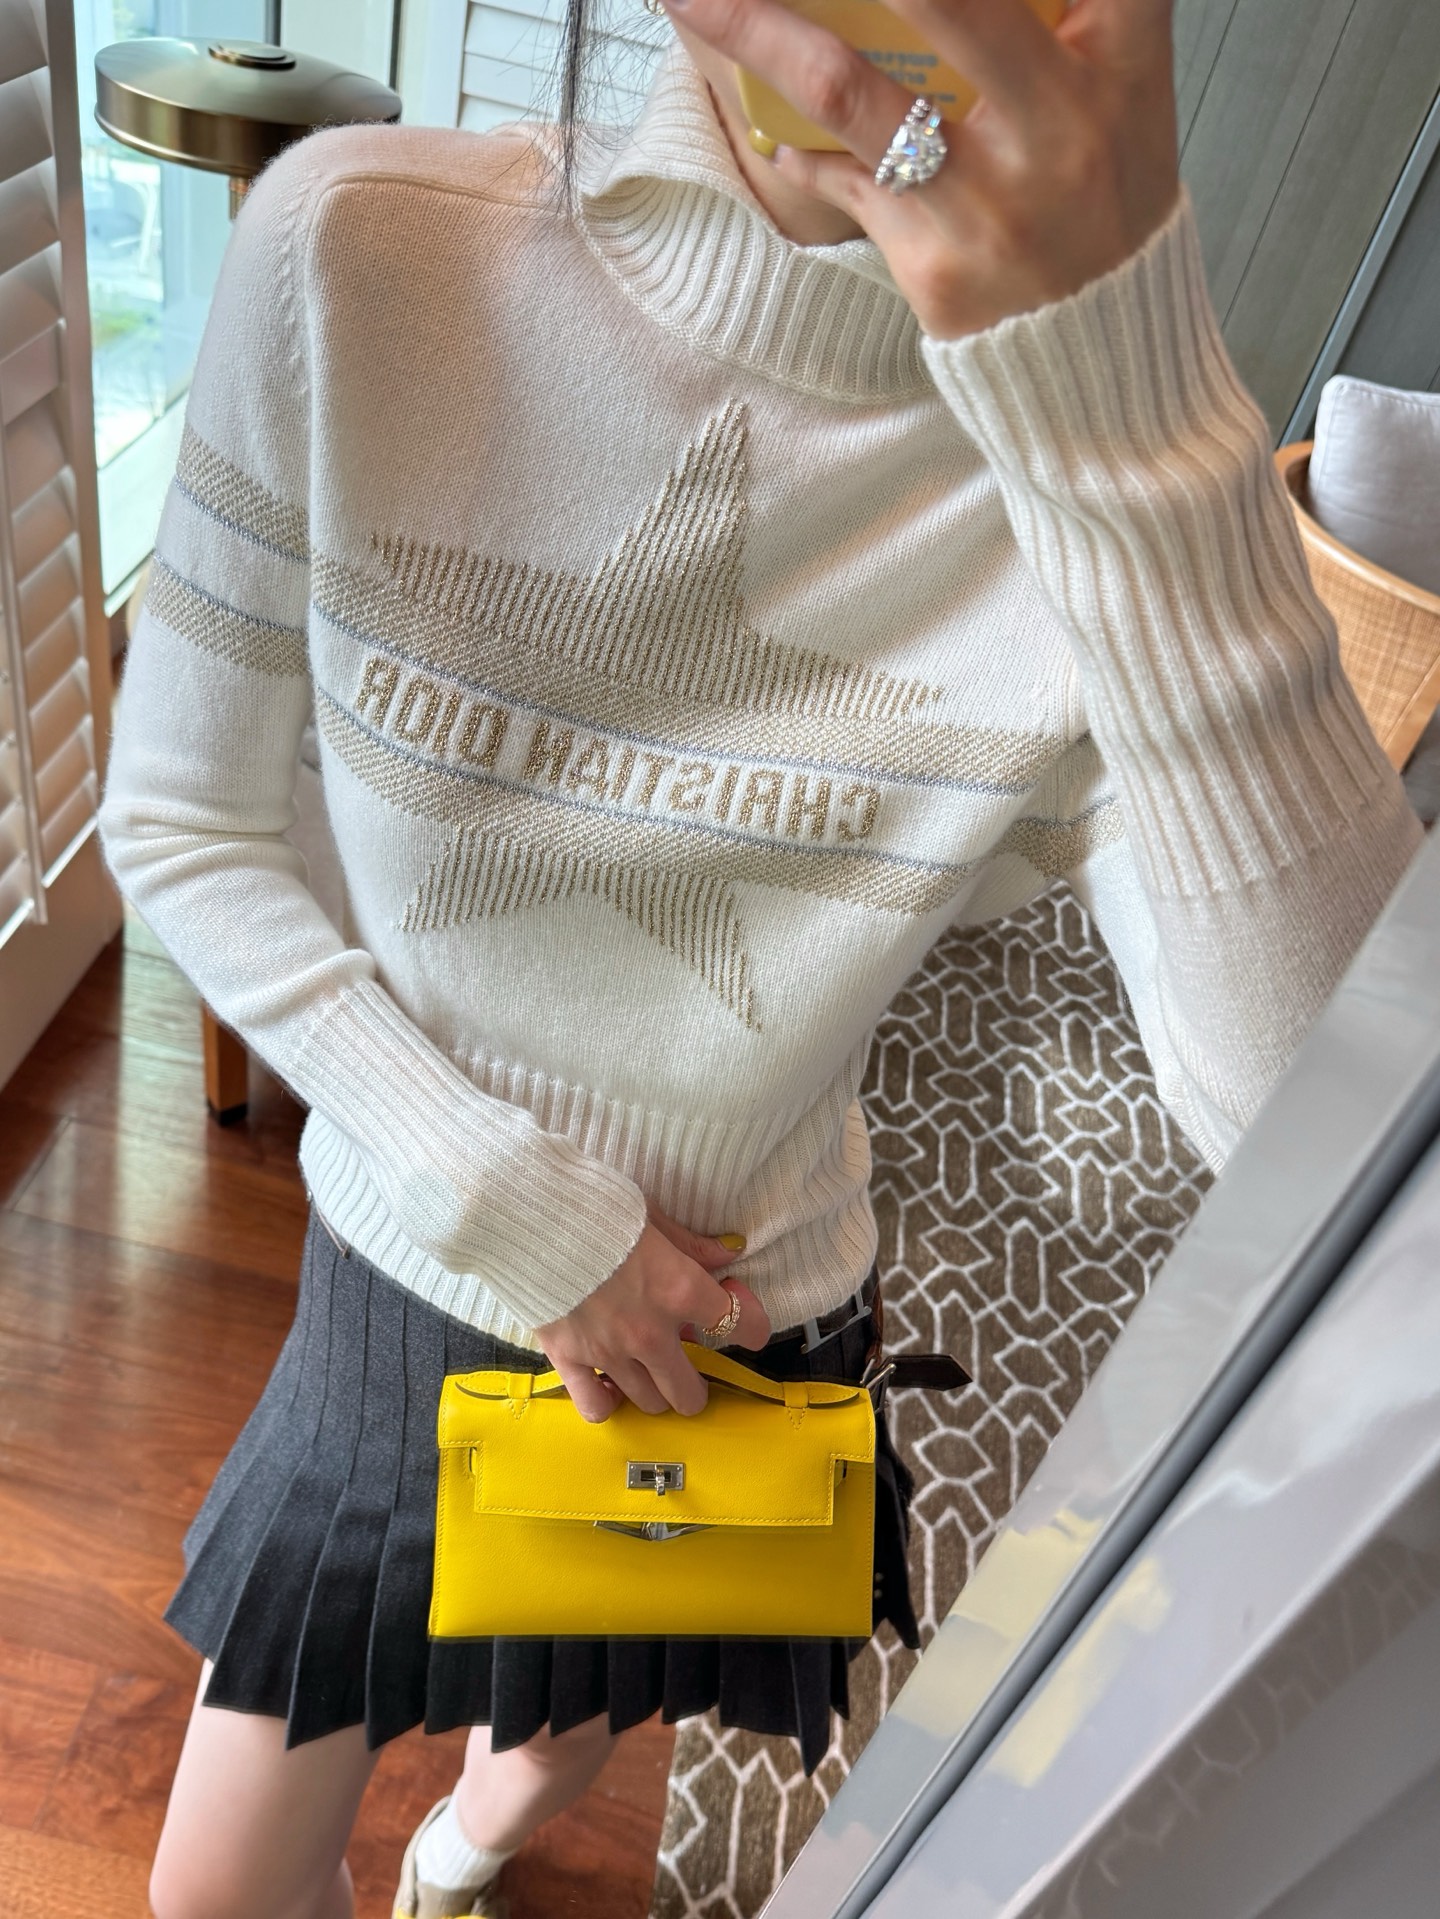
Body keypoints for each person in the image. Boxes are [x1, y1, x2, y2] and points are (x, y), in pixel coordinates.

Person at [99, 0, 1422, 1912]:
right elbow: (181, 822)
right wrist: (523, 1214)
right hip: (417, 1238)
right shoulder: (355, 246)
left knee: (566, 1721)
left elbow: (1335, 1158)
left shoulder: (1109, 481)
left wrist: (1133, 430)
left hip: (742, 1315)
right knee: (212, 1888)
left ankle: (463, 1856)